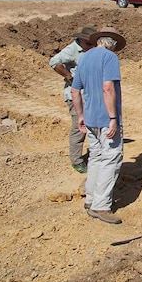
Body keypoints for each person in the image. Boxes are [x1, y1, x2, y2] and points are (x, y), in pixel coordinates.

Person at [71, 27, 126, 224]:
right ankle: (101, 205)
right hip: (105, 118)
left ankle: (91, 197)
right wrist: (113, 118)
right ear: (111, 44)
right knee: (111, 158)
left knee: (95, 156)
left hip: (91, 118)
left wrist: (80, 115)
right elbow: (107, 87)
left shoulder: (85, 57)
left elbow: (75, 90)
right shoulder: (109, 58)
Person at [50, 25, 96, 174]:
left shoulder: (90, 50)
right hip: (75, 95)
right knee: (79, 128)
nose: (91, 46)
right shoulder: (72, 50)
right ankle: (76, 161)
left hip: (88, 94)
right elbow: (54, 62)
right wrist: (69, 77)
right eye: (89, 43)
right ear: (81, 40)